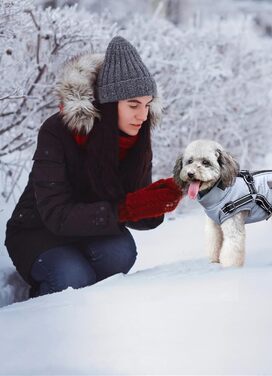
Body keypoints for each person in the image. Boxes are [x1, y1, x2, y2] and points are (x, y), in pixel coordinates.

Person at [4, 36, 182, 297]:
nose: (142, 116)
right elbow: (56, 214)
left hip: (94, 226)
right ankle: (41, 307)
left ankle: (91, 296)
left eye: (146, 104)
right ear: (110, 104)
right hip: (38, 229)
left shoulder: (137, 135)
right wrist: (126, 208)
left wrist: (154, 203)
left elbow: (138, 214)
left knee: (121, 255)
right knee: (71, 277)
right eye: (133, 105)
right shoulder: (58, 130)